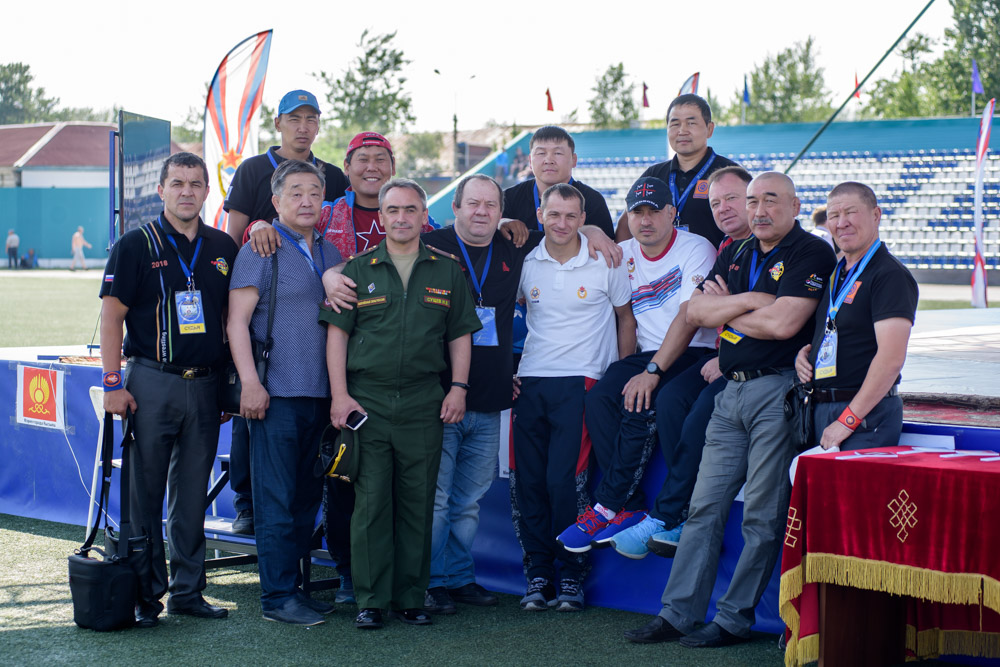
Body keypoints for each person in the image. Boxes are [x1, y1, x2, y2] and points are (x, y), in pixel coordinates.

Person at [624, 172, 836, 648]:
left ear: (795, 205)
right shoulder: (736, 251)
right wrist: (753, 303)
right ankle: (677, 614)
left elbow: (784, 324)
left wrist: (728, 309)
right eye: (753, 201)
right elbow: (696, 312)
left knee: (760, 515)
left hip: (777, 391)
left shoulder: (811, 252)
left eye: (771, 201)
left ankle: (734, 620)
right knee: (703, 508)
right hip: (730, 392)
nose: (759, 210)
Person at [322, 179, 481, 630]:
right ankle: (371, 601)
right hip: (367, 403)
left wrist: (459, 388)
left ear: (424, 216)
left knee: (417, 503)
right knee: (371, 504)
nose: (402, 218)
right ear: (382, 217)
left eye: (411, 209)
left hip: (423, 402)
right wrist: (340, 395)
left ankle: (411, 597)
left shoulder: (446, 271)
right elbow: (337, 336)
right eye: (393, 210)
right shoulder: (357, 269)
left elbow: (460, 334)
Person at [99, 152, 238, 628]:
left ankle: (187, 592)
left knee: (192, 495)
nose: (186, 191)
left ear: (207, 192)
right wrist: (112, 383)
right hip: (151, 382)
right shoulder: (135, 244)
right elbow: (111, 317)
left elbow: (227, 319)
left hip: (205, 386)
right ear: (160, 190)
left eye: (196, 184)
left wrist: (224, 388)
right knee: (145, 494)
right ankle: (144, 595)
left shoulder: (222, 246)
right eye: (177, 183)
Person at [555, 177, 717, 553]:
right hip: (648, 353)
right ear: (627, 216)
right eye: (637, 212)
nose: (645, 220)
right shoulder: (623, 251)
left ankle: (609, 505)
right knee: (600, 398)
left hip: (693, 349)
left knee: (640, 403)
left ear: (672, 213)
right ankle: (630, 508)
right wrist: (591, 229)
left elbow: (688, 318)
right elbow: (569, 239)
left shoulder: (696, 247)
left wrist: (652, 372)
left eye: (654, 212)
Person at [222, 89, 349, 538]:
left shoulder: (332, 175)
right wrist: (258, 229)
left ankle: (294, 548)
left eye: (311, 119)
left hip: (314, 297)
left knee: (304, 482)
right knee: (253, 419)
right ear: (278, 123)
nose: (303, 127)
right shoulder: (254, 169)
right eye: (294, 118)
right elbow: (232, 236)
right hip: (263, 298)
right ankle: (246, 503)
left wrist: (333, 269)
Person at [610, 166, 755, 559]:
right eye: (716, 203)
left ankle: (676, 516)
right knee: (655, 398)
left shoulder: (775, 249)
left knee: (684, 408)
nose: (723, 209)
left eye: (733, 199)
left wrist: (727, 338)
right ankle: (632, 507)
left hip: (753, 367)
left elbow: (782, 318)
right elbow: (704, 310)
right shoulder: (729, 249)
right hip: (725, 356)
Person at [227, 159, 343, 626]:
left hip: (321, 396)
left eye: (314, 192)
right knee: (275, 500)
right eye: (295, 193)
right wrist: (251, 383)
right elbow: (236, 322)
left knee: (304, 501)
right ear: (276, 202)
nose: (306, 201)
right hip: (274, 394)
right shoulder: (261, 248)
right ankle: (276, 598)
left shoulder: (331, 253)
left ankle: (294, 589)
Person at [420, 174, 542, 615]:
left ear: (501, 212)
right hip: (439, 396)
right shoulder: (428, 244)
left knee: (468, 501)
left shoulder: (512, 245)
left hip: (490, 398)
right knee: (435, 499)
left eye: (491, 205)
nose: (481, 212)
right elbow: (365, 263)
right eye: (473, 203)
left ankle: (457, 576)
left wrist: (598, 233)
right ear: (454, 207)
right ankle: (429, 581)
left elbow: (566, 228)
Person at [513, 183, 635, 613]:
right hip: (530, 380)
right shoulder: (526, 262)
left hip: (582, 381)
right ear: (540, 216)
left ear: (584, 219)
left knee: (565, 484)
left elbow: (625, 319)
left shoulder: (605, 259)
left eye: (571, 216)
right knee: (528, 483)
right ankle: (538, 573)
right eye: (554, 215)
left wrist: (621, 376)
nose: (562, 223)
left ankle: (571, 574)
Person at [795, 182, 917, 451]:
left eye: (851, 212)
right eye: (834, 215)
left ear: (876, 215)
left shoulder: (889, 275)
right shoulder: (837, 273)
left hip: (863, 416)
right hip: (822, 409)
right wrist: (806, 355)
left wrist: (848, 420)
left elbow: (891, 359)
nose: (842, 223)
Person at [616, 94, 740, 246]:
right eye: (675, 124)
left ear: (709, 129)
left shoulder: (730, 173)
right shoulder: (654, 175)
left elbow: (746, 226)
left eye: (691, 123)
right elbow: (626, 223)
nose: (682, 131)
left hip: (714, 260)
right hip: (663, 261)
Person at [502, 126, 615, 239]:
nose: (548, 160)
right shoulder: (508, 199)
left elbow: (607, 246)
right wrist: (500, 223)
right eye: (541, 153)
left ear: (574, 160)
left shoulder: (592, 201)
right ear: (530, 161)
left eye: (558, 153)